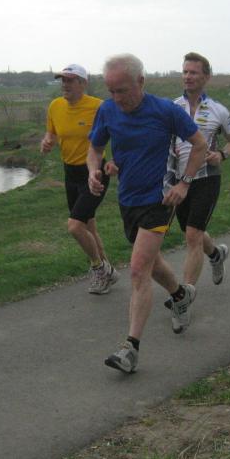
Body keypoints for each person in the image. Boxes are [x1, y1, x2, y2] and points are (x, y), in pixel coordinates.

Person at [87, 54, 207, 374]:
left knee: (138, 269)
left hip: (160, 198)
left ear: (141, 82)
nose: (117, 98)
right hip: (128, 199)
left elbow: (200, 145)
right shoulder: (107, 110)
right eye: (111, 91)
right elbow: (95, 148)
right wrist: (93, 170)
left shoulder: (165, 111)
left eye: (123, 90)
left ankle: (130, 349)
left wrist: (184, 183)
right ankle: (180, 296)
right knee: (151, 264)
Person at [166, 52, 230, 290]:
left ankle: (185, 295)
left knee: (193, 235)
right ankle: (216, 255)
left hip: (207, 177)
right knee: (193, 233)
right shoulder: (171, 107)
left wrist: (221, 154)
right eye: (185, 72)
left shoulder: (218, 110)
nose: (187, 77)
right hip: (179, 180)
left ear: (206, 77)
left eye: (193, 72)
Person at [40, 64, 118, 295]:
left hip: (94, 173)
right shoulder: (55, 106)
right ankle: (108, 272)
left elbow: (120, 133)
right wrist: (47, 141)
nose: (65, 84)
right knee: (88, 226)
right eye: (62, 80)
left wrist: (116, 160)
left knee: (75, 226)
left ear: (83, 83)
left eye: (70, 80)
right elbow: (51, 132)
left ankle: (98, 268)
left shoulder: (100, 107)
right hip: (70, 173)